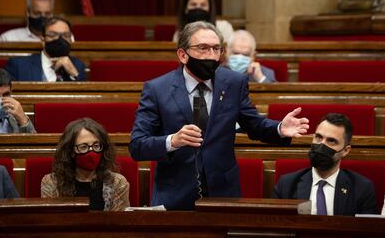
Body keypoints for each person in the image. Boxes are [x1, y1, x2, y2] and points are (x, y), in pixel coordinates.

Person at [129, 21, 309, 210]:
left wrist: (280, 128)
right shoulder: (157, 89)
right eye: (203, 48)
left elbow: (254, 125)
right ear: (183, 55)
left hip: (223, 193)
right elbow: (137, 145)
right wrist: (172, 141)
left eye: (216, 49)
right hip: (175, 195)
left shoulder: (233, 82)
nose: (212, 55)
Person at [273, 113, 377, 216]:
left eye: (331, 141)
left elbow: (366, 231)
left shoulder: (362, 188)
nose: (321, 145)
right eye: (318, 137)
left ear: (345, 150)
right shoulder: (286, 185)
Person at [41, 118, 130, 211]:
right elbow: (50, 221)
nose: (91, 152)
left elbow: (118, 222)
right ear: (70, 151)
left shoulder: (118, 183)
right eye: (83, 147)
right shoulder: (51, 182)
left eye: (96, 146)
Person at [5, 16, 86, 81]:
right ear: (43, 40)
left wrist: (74, 74)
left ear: (71, 40)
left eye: (66, 35)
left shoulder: (78, 66)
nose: (60, 40)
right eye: (53, 35)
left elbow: (83, 98)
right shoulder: (19, 66)